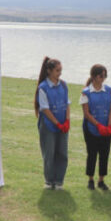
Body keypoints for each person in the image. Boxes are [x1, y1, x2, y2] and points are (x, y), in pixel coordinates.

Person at [34, 57, 70, 190]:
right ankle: (49, 181)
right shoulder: (43, 87)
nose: (60, 73)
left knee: (62, 153)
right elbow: (45, 108)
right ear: (49, 71)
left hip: (62, 123)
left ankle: (59, 181)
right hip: (48, 125)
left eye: (61, 70)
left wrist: (66, 120)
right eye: (57, 70)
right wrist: (57, 123)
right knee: (49, 153)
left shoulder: (64, 85)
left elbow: (67, 103)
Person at [80, 64, 111, 191]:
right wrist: (98, 125)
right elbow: (86, 113)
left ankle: (101, 180)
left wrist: (109, 125)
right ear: (94, 76)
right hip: (91, 128)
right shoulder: (86, 92)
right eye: (101, 75)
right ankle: (90, 179)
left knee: (104, 154)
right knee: (92, 154)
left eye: (105, 75)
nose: (103, 78)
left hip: (106, 128)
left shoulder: (109, 90)